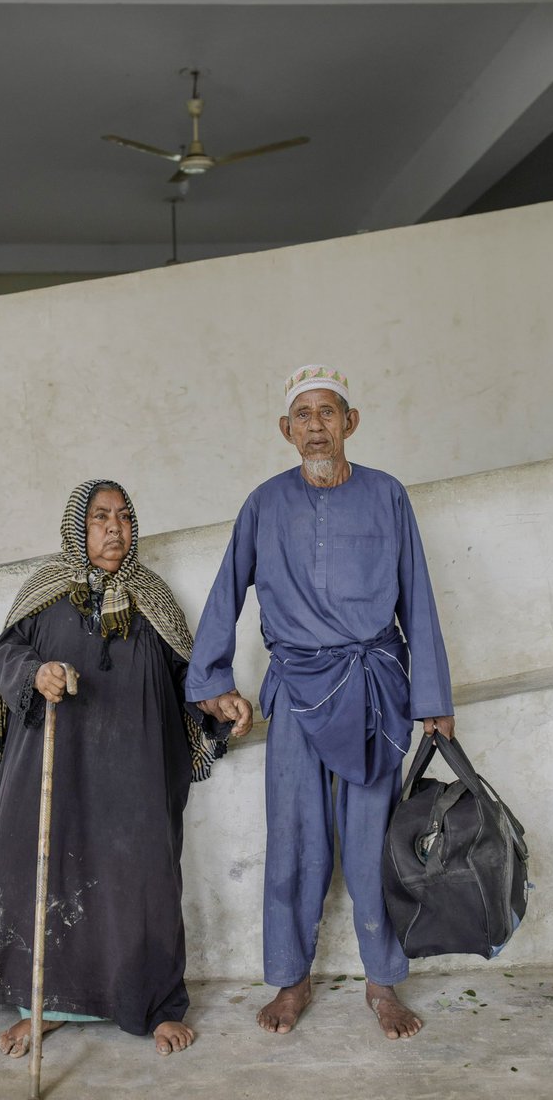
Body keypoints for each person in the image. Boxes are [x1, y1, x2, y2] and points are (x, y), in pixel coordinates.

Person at [186, 365, 455, 1040]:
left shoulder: (388, 495)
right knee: (295, 842)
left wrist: (434, 698)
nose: (315, 426)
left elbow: (418, 596)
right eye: (302, 415)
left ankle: (384, 984)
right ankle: (291, 979)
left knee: (374, 844)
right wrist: (213, 678)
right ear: (286, 430)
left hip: (374, 692)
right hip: (299, 695)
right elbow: (227, 590)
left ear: (350, 422)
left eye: (327, 413)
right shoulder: (263, 504)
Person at [0, 479, 250, 1058]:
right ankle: (43, 1009)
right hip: (55, 767)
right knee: (48, 874)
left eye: (122, 516)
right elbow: (5, 656)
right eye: (99, 517)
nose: (113, 527)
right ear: (77, 527)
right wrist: (36, 673)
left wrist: (219, 702)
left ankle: (155, 1004)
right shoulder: (44, 592)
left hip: (136, 775)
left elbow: (187, 678)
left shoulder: (152, 596)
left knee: (144, 882)